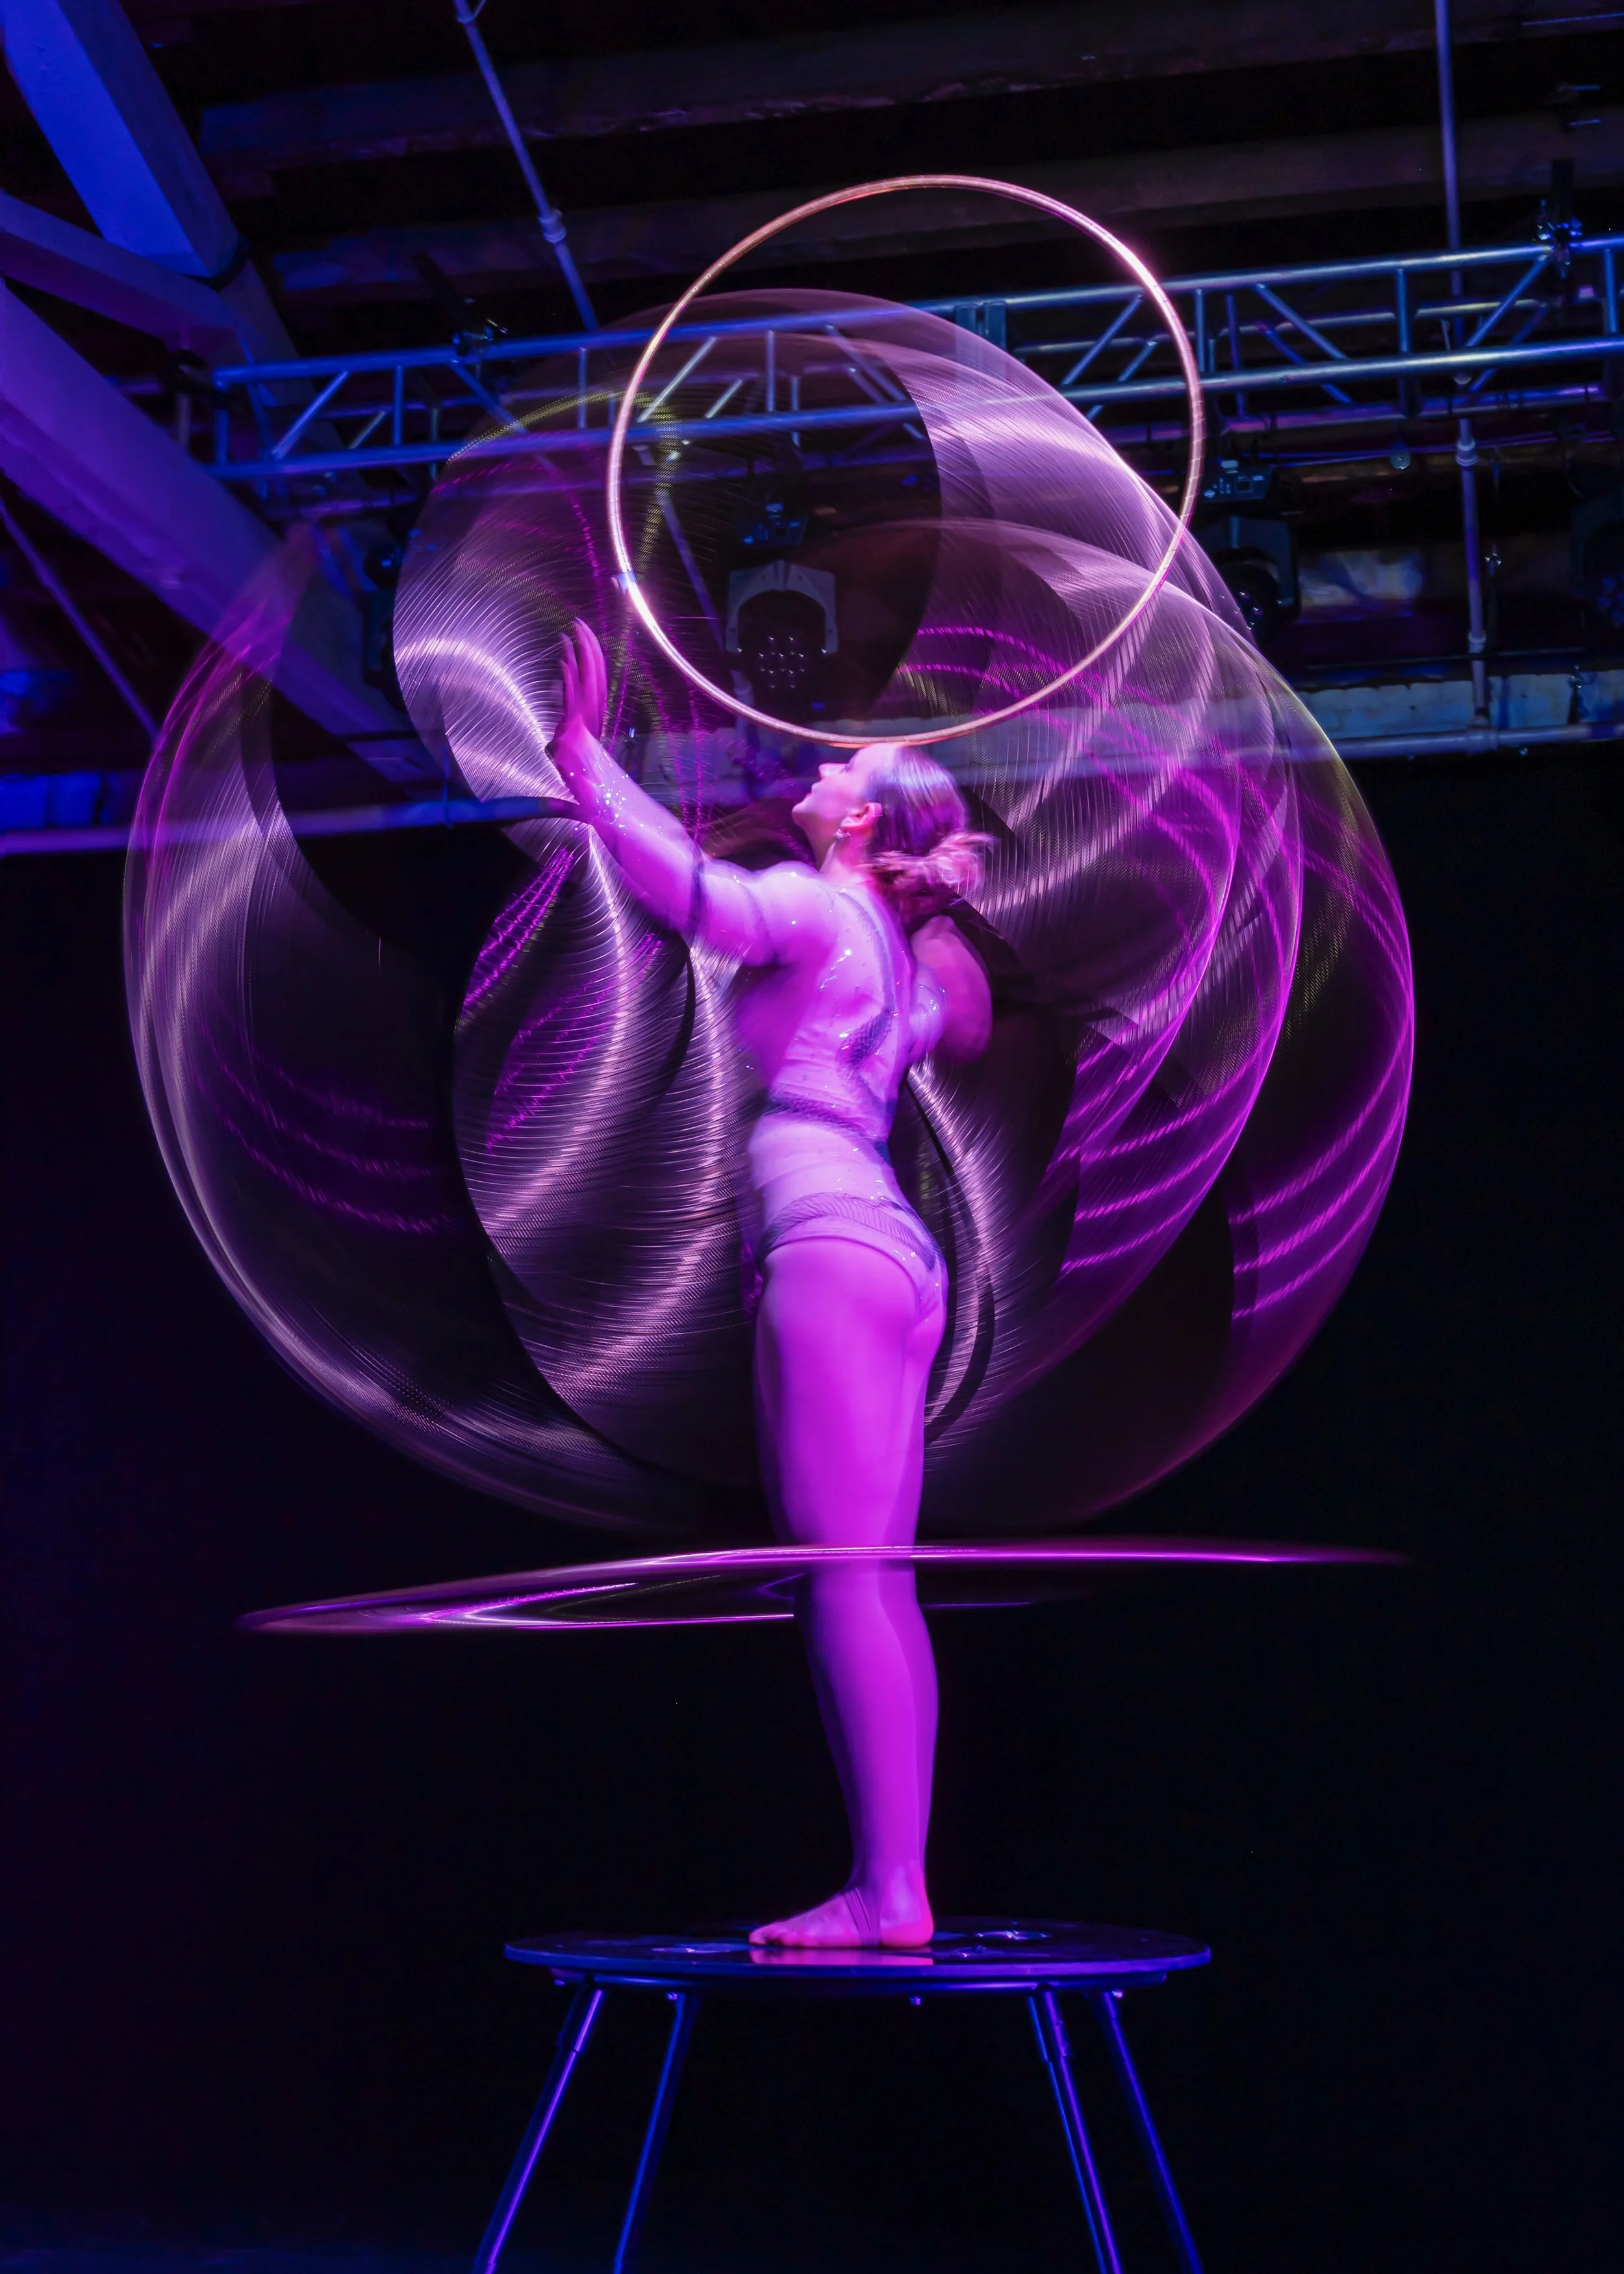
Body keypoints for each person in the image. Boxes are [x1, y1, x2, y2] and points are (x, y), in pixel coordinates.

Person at [550, 621, 993, 1947]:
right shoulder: (895, 960)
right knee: (867, 1575)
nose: (812, 764)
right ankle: (889, 1876)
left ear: (856, 820)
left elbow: (696, 897)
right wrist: (942, 904)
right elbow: (958, 1021)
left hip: (826, 1240)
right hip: (888, 1253)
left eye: (842, 763)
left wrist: (584, 761)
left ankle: (886, 1890)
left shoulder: (816, 907)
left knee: (841, 1570)